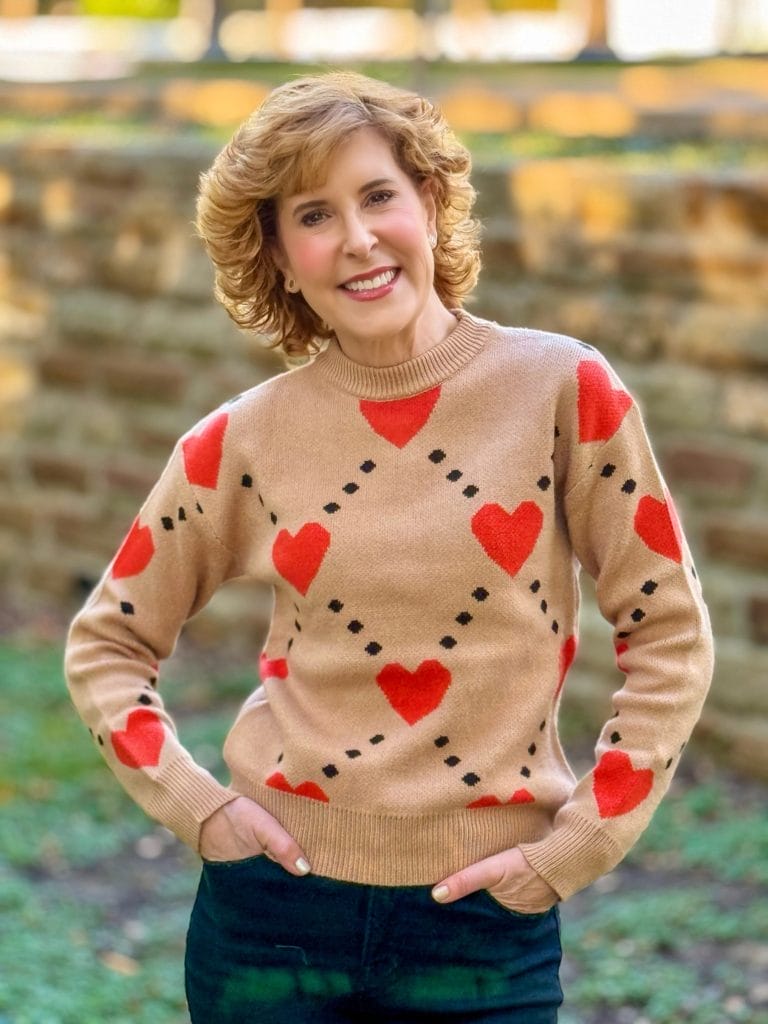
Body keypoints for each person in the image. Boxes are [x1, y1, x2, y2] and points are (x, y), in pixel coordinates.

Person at [65, 71, 714, 1023]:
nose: (359, 239)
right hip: (270, 926)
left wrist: (573, 848)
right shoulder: (241, 438)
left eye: (379, 196)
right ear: (280, 256)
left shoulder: (566, 392)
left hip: (486, 927)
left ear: (432, 203)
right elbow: (108, 643)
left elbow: (667, 627)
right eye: (315, 215)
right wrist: (199, 807)